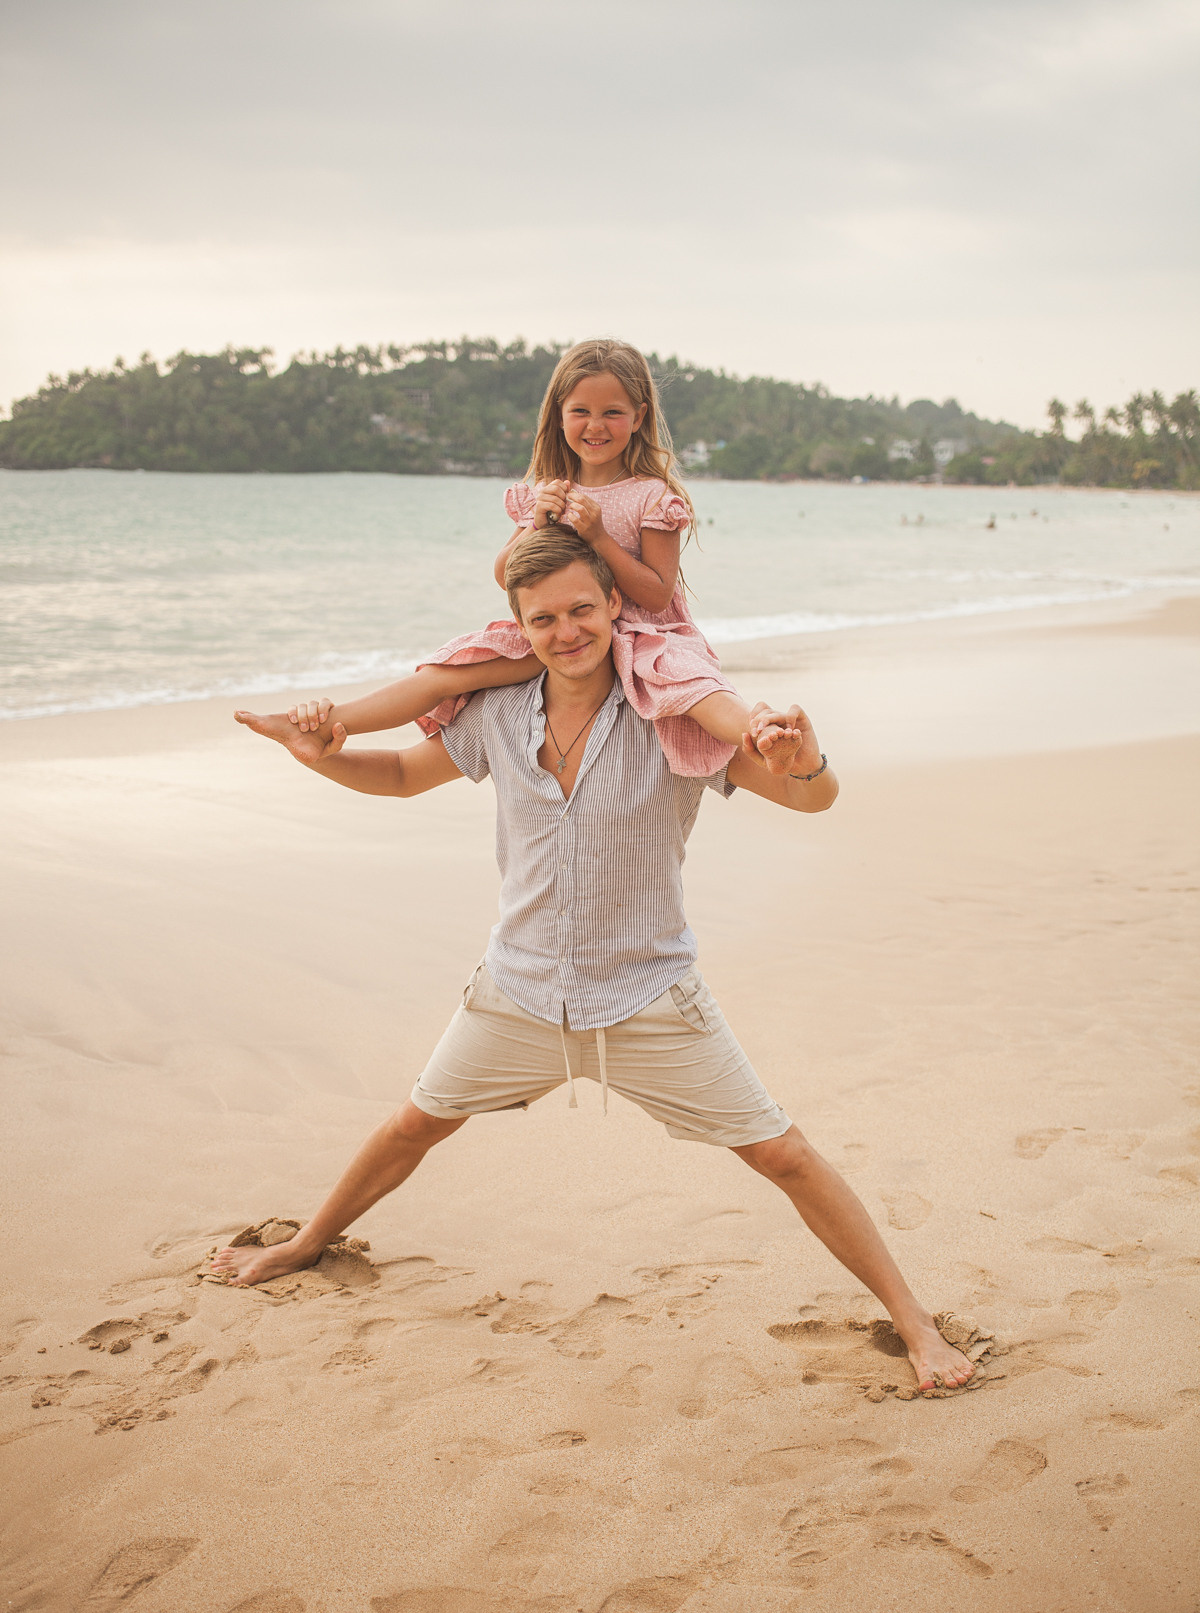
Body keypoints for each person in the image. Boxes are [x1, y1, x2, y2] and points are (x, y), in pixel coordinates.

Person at [219, 528, 975, 1394]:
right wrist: (321, 755)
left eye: (582, 609)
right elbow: (397, 773)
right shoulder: (497, 713)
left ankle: (916, 1324)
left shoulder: (673, 715)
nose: (566, 630)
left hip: (650, 998)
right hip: (517, 991)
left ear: (616, 604)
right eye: (543, 618)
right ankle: (306, 1244)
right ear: (518, 627)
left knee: (785, 1156)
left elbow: (811, 799)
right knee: (413, 1126)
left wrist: (806, 764)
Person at [276, 338, 802, 780]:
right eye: (581, 411)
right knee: (448, 671)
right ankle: (326, 724)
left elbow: (658, 592)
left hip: (642, 633)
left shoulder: (650, 496)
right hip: (562, 630)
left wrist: (599, 537)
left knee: (694, 685)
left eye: (612, 412)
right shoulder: (548, 491)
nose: (596, 425)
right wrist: (538, 523)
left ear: (639, 417)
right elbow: (505, 574)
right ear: (559, 415)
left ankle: (760, 730)